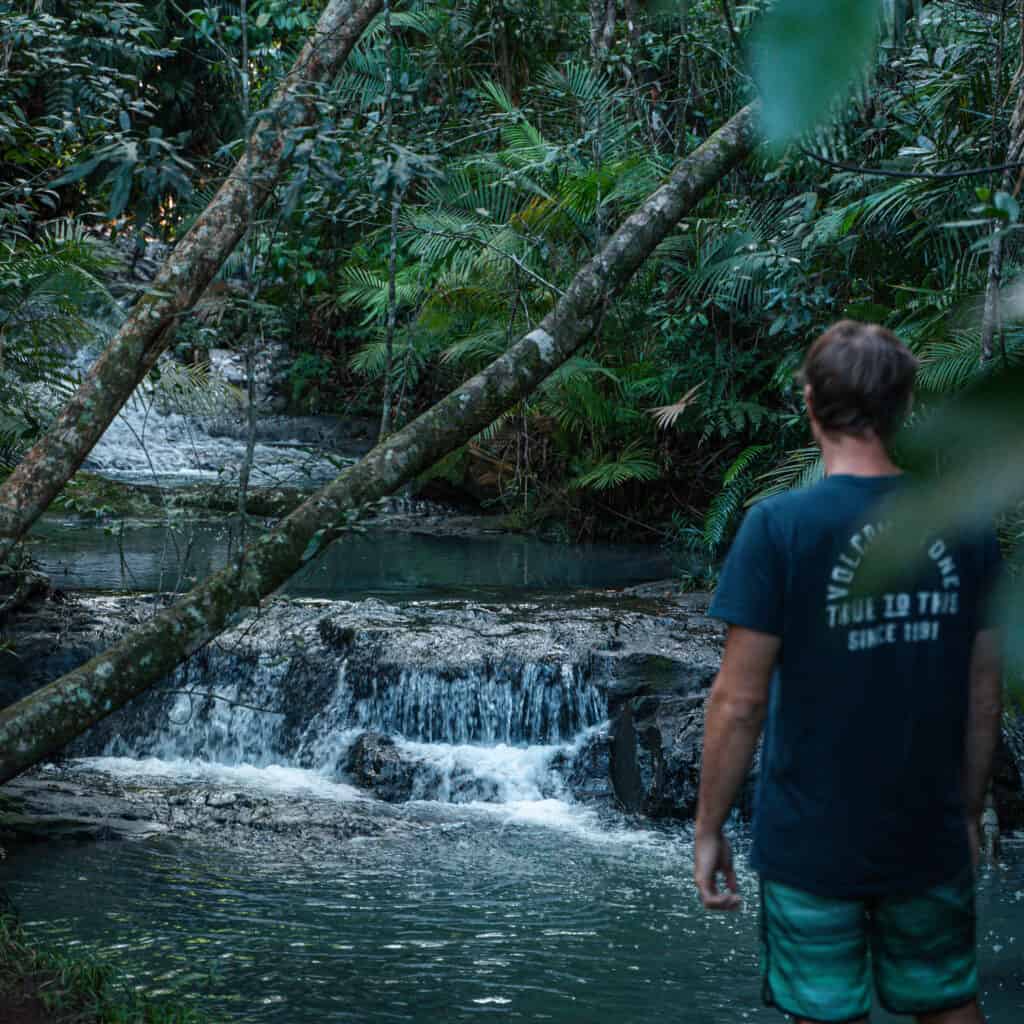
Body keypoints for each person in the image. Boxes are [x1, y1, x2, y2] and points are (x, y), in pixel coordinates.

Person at [693, 320, 1004, 1024]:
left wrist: (708, 829)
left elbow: (738, 702)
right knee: (950, 1005)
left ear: (810, 403)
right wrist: (967, 811)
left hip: (811, 843)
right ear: (904, 408)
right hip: (926, 830)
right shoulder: (962, 525)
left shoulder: (778, 528)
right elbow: (983, 695)